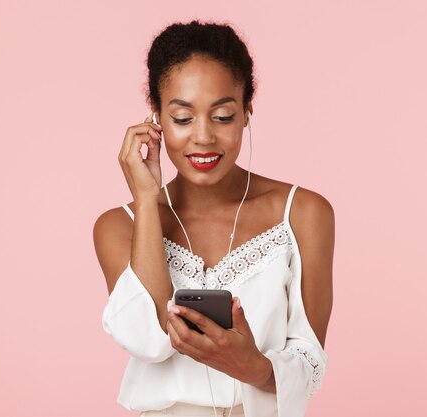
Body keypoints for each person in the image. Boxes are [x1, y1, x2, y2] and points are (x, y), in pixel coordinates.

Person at [94, 19, 334, 417]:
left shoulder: (304, 213)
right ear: (155, 118)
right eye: (183, 119)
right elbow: (149, 340)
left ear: (246, 112)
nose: (203, 137)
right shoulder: (118, 226)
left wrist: (254, 368)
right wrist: (147, 201)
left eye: (222, 116)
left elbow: (309, 362)